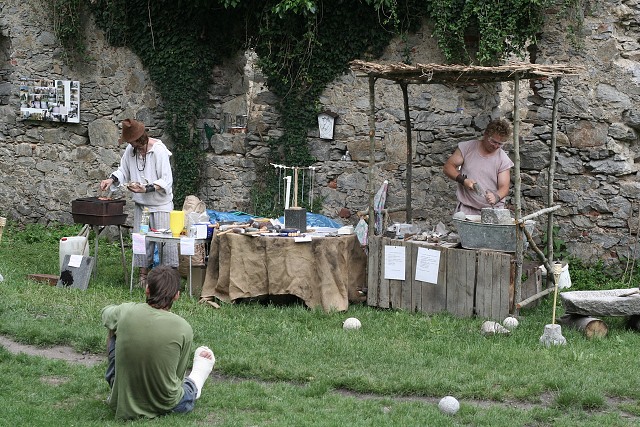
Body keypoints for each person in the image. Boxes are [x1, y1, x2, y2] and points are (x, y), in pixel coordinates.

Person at [102, 266, 215, 420]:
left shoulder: (125, 311)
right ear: (176, 296)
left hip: (124, 401)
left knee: (113, 326)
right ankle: (196, 378)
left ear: (147, 289)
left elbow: (105, 314)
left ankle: (118, 388)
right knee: (185, 392)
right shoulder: (184, 328)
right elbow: (177, 375)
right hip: (168, 403)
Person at [100, 118, 178, 287]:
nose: (130, 145)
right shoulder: (130, 150)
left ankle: (168, 280)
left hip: (161, 206)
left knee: (165, 241)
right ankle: (143, 277)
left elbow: (166, 180)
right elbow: (123, 170)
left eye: (132, 141)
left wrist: (146, 189)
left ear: (140, 138)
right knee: (142, 239)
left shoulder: (158, 151)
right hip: (143, 208)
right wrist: (111, 179)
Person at [443, 118, 514, 215]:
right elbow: (448, 167)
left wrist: (496, 197)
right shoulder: (467, 148)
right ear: (485, 135)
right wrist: (463, 180)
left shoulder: (503, 159)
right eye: (493, 141)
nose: (495, 146)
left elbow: (504, 187)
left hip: (492, 211)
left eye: (500, 144)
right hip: (467, 209)